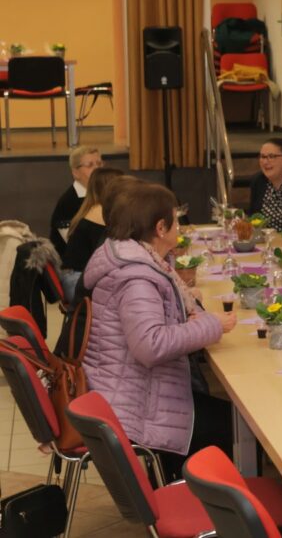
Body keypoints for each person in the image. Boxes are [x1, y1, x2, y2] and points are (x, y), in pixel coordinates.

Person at [82, 182, 238, 479]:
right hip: (140, 409)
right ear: (160, 228)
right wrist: (212, 325)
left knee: (228, 416)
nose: (181, 227)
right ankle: (198, 497)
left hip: (138, 393)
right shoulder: (137, 278)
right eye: (176, 220)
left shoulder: (139, 261)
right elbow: (150, 345)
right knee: (241, 429)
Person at [60, 167, 125, 295]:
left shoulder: (95, 208)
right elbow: (111, 255)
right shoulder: (100, 213)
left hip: (78, 275)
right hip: (77, 280)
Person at [49, 146, 103, 256]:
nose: (97, 169)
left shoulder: (105, 193)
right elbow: (76, 246)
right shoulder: (68, 203)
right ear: (75, 173)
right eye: (90, 165)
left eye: (99, 163)